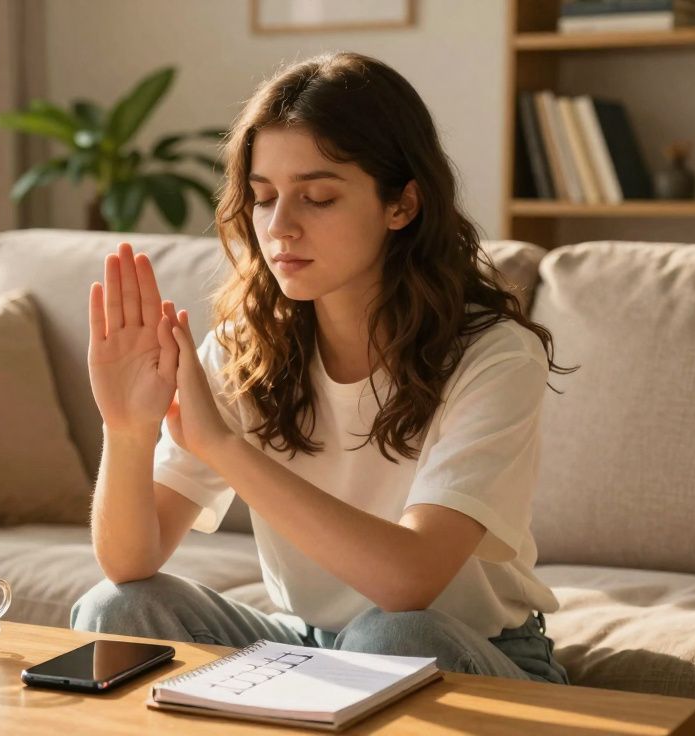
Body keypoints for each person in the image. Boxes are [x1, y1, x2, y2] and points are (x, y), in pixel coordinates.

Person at [70, 51, 575, 684]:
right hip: (313, 647)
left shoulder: (493, 355)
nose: (279, 227)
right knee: (119, 607)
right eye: (263, 198)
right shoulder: (244, 348)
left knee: (394, 634)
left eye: (317, 198)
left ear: (402, 205)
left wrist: (223, 447)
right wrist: (126, 429)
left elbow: (409, 581)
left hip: (467, 652)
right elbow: (128, 562)